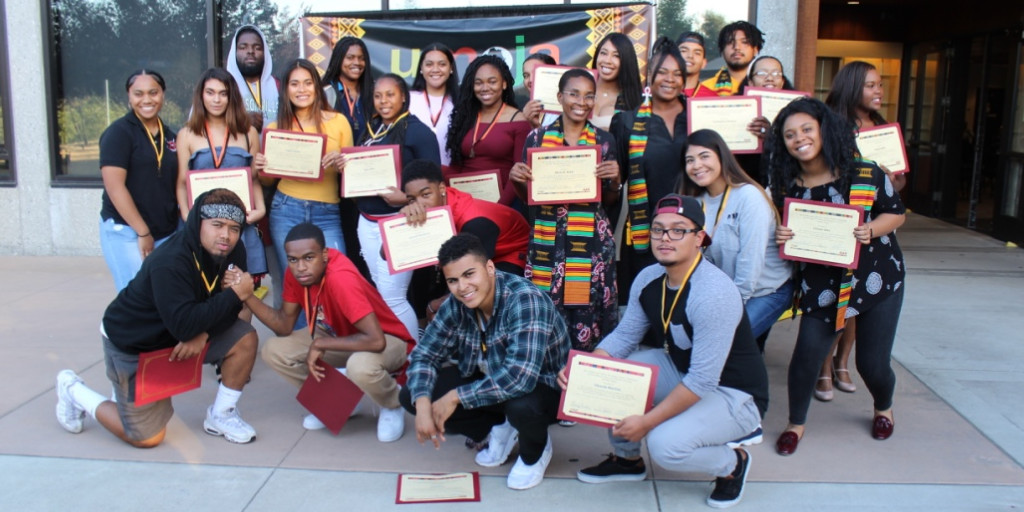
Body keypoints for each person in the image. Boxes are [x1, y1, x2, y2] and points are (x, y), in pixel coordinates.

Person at [569, 194, 768, 510]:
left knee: (665, 446)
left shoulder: (712, 293)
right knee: (615, 377)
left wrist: (646, 424)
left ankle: (732, 463)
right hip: (683, 368)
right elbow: (625, 335)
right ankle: (627, 461)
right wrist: (588, 369)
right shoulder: (649, 277)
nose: (665, 238)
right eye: (658, 230)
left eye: (678, 230)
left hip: (734, 392)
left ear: (699, 238)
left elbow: (702, 381)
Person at [56, 189, 260, 447]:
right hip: (136, 343)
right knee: (147, 437)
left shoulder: (234, 250)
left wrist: (204, 334)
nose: (226, 236)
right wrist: (233, 296)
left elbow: (229, 312)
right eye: (217, 225)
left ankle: (222, 414)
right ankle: (72, 389)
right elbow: (193, 320)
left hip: (182, 333)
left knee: (244, 337)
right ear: (197, 222)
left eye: (234, 228)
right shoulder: (170, 260)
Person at [768, 98, 906, 455]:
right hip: (823, 284)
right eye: (789, 134)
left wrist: (871, 229)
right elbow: (787, 228)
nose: (799, 138)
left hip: (877, 277)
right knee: (806, 358)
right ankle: (795, 425)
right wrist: (782, 234)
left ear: (824, 129)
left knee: (872, 364)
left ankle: (883, 406)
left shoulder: (864, 170)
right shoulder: (787, 184)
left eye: (806, 129)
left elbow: (896, 213)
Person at [399, 234, 570, 490]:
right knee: (410, 396)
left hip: (541, 389)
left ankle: (535, 450)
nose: (462, 287)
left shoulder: (525, 300)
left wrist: (455, 396)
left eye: (470, 274)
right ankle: (500, 426)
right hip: (488, 379)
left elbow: (518, 378)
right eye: (453, 280)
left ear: (489, 268)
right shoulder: (456, 304)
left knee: (521, 405)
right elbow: (424, 355)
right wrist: (423, 404)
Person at [247, 223, 413, 442]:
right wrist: (247, 296)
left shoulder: (340, 278)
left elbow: (376, 341)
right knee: (274, 351)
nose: (300, 267)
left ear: (324, 255)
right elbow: (284, 325)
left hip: (388, 340)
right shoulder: (296, 274)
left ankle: (392, 403)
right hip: (340, 336)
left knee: (360, 367)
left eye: (308, 258)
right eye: (293, 260)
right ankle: (338, 402)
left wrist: (320, 345)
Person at [509, 68, 621, 352]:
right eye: (574, 94)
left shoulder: (604, 141)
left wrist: (616, 181)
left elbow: (607, 201)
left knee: (588, 310)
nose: (581, 102)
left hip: (590, 243)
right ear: (559, 97)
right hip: (549, 240)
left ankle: (585, 374)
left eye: (588, 96)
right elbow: (529, 200)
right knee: (548, 311)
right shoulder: (536, 139)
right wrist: (518, 181)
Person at [815, 60, 907, 401]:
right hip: (841, 224)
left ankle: (843, 363)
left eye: (880, 85)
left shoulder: (882, 128)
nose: (878, 91)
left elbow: (897, 187)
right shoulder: (831, 125)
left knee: (863, 301)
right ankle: (824, 367)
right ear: (853, 87)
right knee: (837, 298)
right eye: (871, 85)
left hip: (876, 226)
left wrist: (893, 180)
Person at [347, 73, 441, 341]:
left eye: (390, 95)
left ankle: (412, 361)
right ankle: (396, 350)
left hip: (402, 222)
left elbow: (435, 184)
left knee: (394, 296)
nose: (383, 101)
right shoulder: (369, 129)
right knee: (381, 291)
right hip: (367, 221)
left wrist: (407, 199)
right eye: (378, 96)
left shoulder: (418, 131)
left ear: (403, 97)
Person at [678, 129, 792, 345]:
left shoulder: (748, 196)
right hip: (723, 292)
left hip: (764, 291)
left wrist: (726, 314)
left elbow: (750, 263)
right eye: (690, 160)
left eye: (704, 156)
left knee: (719, 343)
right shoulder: (696, 201)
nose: (697, 165)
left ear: (722, 156)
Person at [253, 59, 351, 289]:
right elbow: (268, 181)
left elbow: (351, 180)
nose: (302, 89)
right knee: (295, 284)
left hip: (328, 211)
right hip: (286, 209)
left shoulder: (339, 122)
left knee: (338, 281)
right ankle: (300, 327)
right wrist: (261, 168)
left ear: (317, 87)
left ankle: (331, 328)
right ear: (285, 89)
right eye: (295, 84)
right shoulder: (275, 128)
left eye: (308, 83)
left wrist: (342, 165)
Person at [611, 37, 689, 304]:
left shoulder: (698, 117)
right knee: (648, 305)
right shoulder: (627, 122)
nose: (670, 79)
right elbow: (615, 182)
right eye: (662, 72)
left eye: (678, 74)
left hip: (693, 229)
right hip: (646, 231)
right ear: (649, 77)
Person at [400, 159, 530, 318]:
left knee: (471, 297)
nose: (419, 204)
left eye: (426, 194)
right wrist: (401, 223)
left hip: (510, 254)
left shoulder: (473, 220)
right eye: (412, 199)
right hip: (475, 252)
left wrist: (438, 304)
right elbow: (387, 254)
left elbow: (471, 273)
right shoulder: (439, 203)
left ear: (442, 188)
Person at [176, 68, 267, 286]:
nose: (216, 99)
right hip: (202, 227)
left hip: (238, 225)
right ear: (201, 95)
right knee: (202, 287)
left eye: (223, 93)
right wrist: (188, 216)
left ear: (231, 97)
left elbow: (253, 179)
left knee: (241, 289)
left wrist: (261, 209)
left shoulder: (248, 132)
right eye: (210, 92)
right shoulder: (187, 134)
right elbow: (181, 183)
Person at [99, 69, 180, 291]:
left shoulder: (170, 136)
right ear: (129, 96)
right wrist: (143, 232)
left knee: (160, 295)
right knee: (135, 296)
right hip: (127, 231)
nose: (146, 100)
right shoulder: (118, 133)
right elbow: (115, 188)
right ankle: (114, 328)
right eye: (138, 93)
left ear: (163, 94)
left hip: (165, 233)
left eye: (153, 92)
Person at [446, 55, 531, 208]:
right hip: (466, 201)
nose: (485, 88)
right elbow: (457, 165)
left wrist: (498, 208)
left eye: (492, 82)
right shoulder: (465, 117)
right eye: (478, 83)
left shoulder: (519, 121)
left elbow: (519, 174)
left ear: (504, 84)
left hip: (504, 203)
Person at [409, 43, 459, 166]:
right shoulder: (408, 100)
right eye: (429, 64)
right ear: (421, 68)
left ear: (451, 68)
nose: (435, 69)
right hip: (416, 178)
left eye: (442, 64)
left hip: (452, 176)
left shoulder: (461, 102)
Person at [226, 25, 279, 134]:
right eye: (243, 47)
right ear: (234, 52)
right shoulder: (222, 86)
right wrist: (240, 121)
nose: (250, 51)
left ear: (265, 53)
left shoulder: (279, 86)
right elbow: (202, 124)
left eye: (257, 47)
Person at [324, 36, 374, 144]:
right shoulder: (326, 94)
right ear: (339, 59)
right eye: (350, 57)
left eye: (362, 58)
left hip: (368, 159)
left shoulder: (374, 93)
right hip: (336, 158)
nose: (357, 62)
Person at [590, 33, 643, 131]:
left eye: (616, 56)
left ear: (626, 61)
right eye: (603, 53)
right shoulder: (579, 90)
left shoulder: (633, 100)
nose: (607, 60)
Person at [701, 21, 764, 97]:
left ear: (755, 50)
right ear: (722, 50)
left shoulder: (766, 87)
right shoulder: (705, 89)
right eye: (730, 42)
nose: (737, 47)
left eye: (744, 42)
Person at [520, 52, 559, 129]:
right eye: (526, 75)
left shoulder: (567, 109)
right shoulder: (528, 110)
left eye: (536, 73)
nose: (530, 80)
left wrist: (536, 126)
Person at [676, 32, 717, 98]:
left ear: (704, 63)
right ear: (673, 58)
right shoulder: (660, 94)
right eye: (684, 51)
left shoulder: (712, 98)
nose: (690, 56)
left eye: (697, 53)